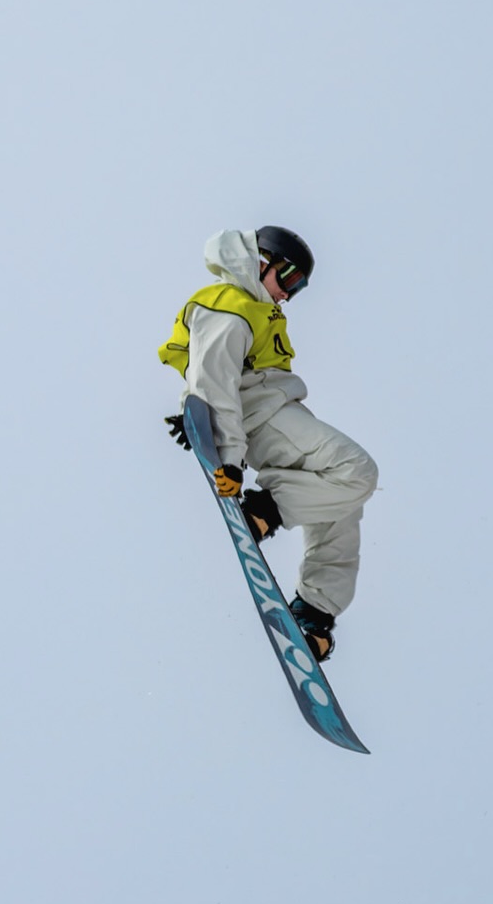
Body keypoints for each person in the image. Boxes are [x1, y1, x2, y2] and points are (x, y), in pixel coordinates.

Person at [159, 227, 377, 662]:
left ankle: (314, 611)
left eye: (298, 289)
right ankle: (266, 510)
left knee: (340, 501)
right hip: (263, 415)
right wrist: (229, 458)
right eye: (289, 281)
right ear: (261, 260)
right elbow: (212, 381)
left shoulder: (256, 307)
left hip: (279, 413)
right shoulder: (229, 304)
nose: (288, 296)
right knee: (357, 472)